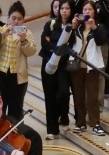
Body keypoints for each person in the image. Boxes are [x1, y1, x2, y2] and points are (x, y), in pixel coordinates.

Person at [70, 0, 108, 136]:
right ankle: (80, 123)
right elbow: (68, 41)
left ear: (94, 12)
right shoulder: (78, 28)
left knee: (93, 97)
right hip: (77, 66)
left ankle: (95, 124)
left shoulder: (99, 27)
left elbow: (101, 40)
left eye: (89, 9)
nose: (87, 12)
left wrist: (94, 28)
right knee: (78, 96)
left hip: (92, 67)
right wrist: (72, 26)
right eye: (84, 9)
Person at [0, 1, 37, 118]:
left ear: (23, 20)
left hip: (18, 76)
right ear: (8, 18)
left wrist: (24, 40)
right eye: (13, 18)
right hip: (1, 74)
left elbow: (31, 52)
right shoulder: (0, 30)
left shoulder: (27, 33)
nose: (16, 21)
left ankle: (15, 134)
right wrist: (2, 36)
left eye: (19, 18)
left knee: (16, 108)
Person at [39, 0, 73, 139]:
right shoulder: (51, 24)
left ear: (71, 11)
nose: (63, 10)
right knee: (50, 96)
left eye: (67, 8)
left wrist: (54, 44)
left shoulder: (73, 27)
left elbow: (71, 46)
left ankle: (63, 115)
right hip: (48, 63)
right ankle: (52, 130)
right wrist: (58, 47)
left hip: (64, 65)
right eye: (61, 8)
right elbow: (44, 43)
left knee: (64, 93)